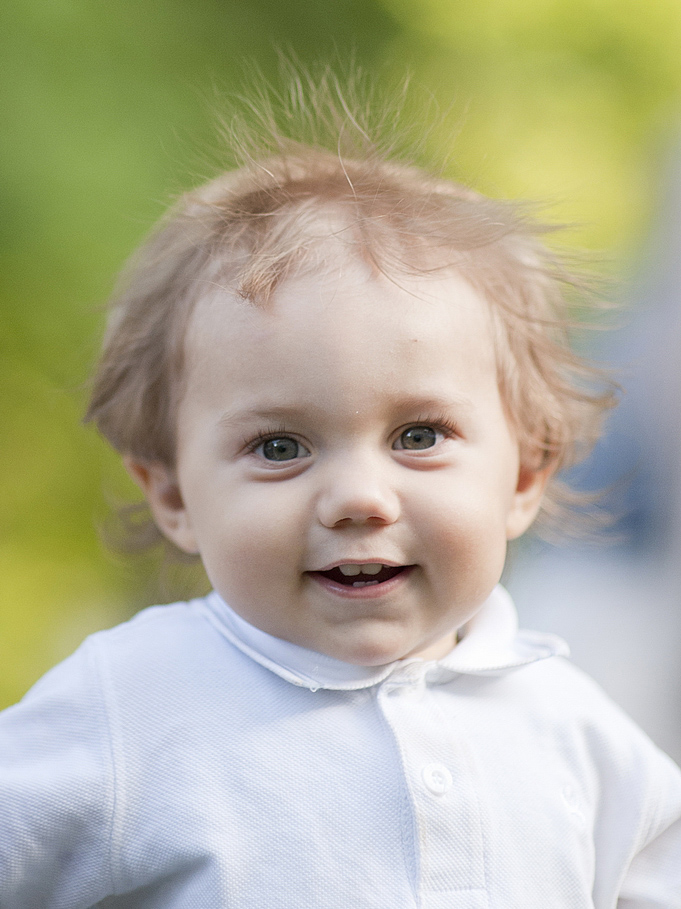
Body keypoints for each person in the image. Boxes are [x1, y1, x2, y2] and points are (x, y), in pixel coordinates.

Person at [1, 75, 680, 907]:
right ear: (174, 495)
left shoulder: (577, 733)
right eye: (280, 447)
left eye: (418, 436)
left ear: (524, 475)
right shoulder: (131, 706)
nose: (359, 497)